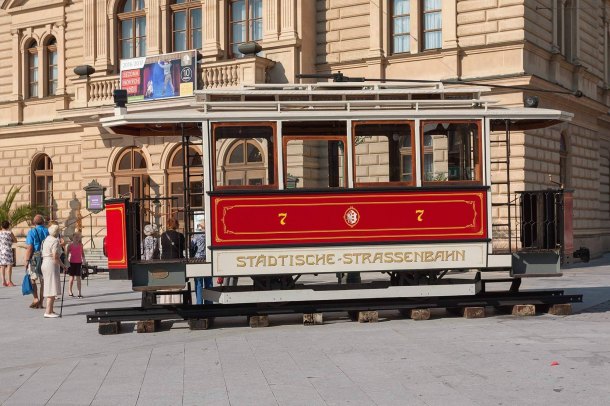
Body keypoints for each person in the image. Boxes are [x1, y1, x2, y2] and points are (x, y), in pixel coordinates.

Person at [41, 224, 66, 318]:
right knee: (51, 288)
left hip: (45, 263)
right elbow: (55, 256)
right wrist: (63, 266)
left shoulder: (47, 239)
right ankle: (48, 311)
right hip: (51, 264)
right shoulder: (55, 240)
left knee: (50, 286)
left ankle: (51, 310)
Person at [24, 214, 49, 308]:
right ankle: (42, 303)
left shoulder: (32, 231)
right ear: (43, 222)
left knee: (32, 278)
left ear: (34, 223)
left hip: (34, 257)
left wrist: (26, 260)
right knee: (43, 281)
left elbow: (30, 247)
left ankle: (35, 298)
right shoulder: (47, 231)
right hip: (45, 257)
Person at [190, 219, 212, 305]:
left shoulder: (197, 236)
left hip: (198, 260)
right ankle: (209, 302)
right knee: (208, 283)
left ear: (201, 227)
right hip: (208, 259)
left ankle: (199, 303)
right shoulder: (209, 235)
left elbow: (192, 246)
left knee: (198, 284)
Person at [66, 231, 85, 298]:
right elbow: (67, 254)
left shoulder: (81, 245)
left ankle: (79, 292)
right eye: (75, 237)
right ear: (73, 237)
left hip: (79, 263)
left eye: (78, 237)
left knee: (78, 278)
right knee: (71, 277)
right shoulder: (70, 245)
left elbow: (82, 253)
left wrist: (84, 260)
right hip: (72, 263)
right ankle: (70, 291)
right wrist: (67, 262)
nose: (77, 238)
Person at [0, 221, 17, 287]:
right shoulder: (9, 233)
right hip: (8, 250)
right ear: (8, 226)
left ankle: (3, 281)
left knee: (2, 266)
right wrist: (10, 240)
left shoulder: (0, 233)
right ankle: (9, 281)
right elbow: (15, 240)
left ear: (2, 226)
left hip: (1, 250)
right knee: (9, 265)